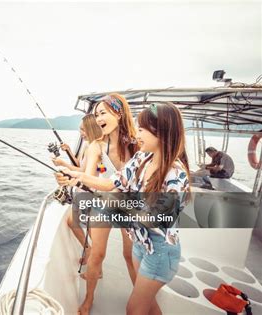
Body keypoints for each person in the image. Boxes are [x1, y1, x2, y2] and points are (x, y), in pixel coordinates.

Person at [56, 102, 190, 315]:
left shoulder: (176, 174)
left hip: (159, 249)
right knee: (149, 304)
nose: (138, 134)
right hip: (140, 242)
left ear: (162, 132)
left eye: (143, 129)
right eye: (137, 127)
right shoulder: (142, 158)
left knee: (134, 309)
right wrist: (77, 177)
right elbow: (112, 182)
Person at [58, 93, 139, 315]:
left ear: (119, 113)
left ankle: (141, 296)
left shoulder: (137, 144)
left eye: (103, 112)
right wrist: (71, 175)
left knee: (131, 256)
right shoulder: (95, 146)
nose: (98, 118)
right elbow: (89, 175)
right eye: (96, 114)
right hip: (102, 205)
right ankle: (89, 299)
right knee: (97, 255)